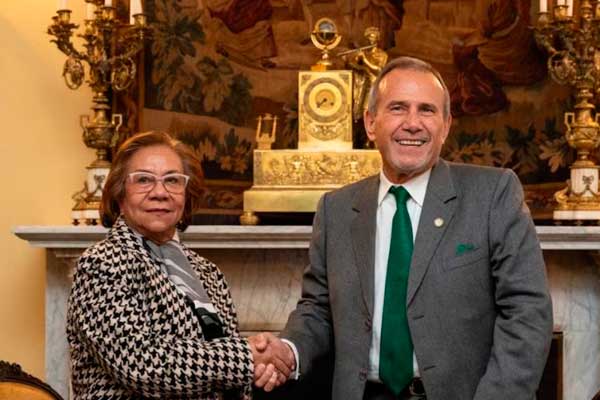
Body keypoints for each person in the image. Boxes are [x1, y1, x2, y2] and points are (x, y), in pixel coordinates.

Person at [254, 57, 553, 399]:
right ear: (371, 123)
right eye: (398, 108)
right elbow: (318, 309)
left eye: (427, 110)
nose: (413, 124)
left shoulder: (492, 194)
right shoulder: (336, 209)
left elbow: (527, 311)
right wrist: (288, 350)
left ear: (446, 126)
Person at [67, 131, 290, 399]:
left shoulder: (208, 272)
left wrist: (262, 370)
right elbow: (141, 364)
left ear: (186, 195)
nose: (160, 192)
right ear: (120, 195)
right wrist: (247, 356)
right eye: (144, 180)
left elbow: (226, 367)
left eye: (172, 180)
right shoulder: (102, 263)